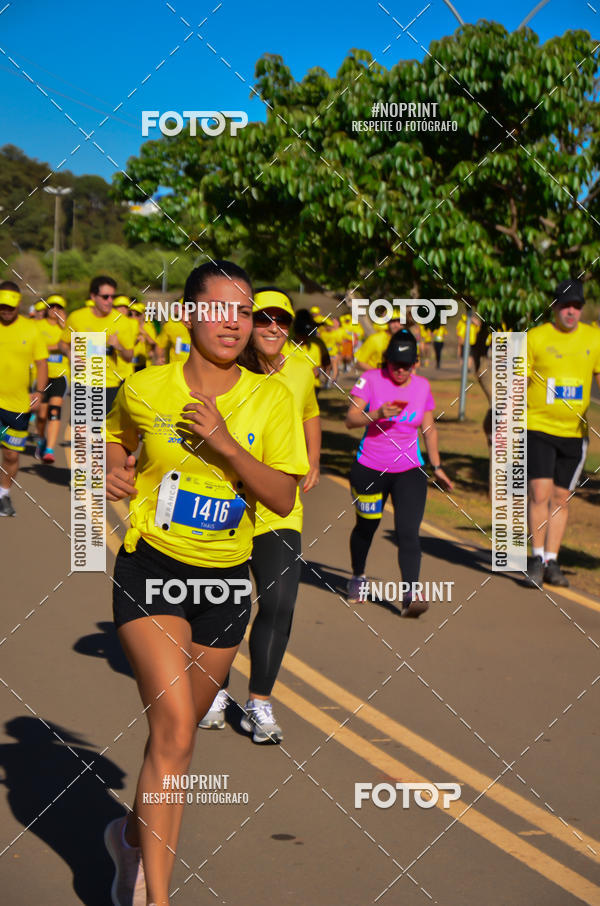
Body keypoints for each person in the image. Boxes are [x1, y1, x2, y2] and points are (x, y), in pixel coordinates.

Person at [103, 261, 308, 906]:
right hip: (152, 569)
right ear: (188, 313)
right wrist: (110, 472)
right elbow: (112, 441)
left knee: (177, 731)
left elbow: (279, 496)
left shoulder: (271, 397)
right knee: (177, 733)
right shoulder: (144, 388)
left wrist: (225, 446)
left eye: (244, 312)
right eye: (220, 309)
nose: (234, 323)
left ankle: (130, 838)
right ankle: (157, 897)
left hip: (223, 582)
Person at [200, 288, 321, 742]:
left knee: (280, 603)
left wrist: (314, 458)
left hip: (276, 507)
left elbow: (309, 412)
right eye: (264, 318)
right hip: (226, 504)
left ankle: (259, 703)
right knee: (225, 604)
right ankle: (213, 691)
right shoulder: (226, 366)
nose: (274, 327)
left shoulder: (303, 366)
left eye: (282, 320)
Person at [344, 330, 453, 615]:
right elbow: (350, 420)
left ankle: (410, 594)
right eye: (395, 364)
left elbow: (428, 427)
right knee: (367, 527)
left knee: (408, 532)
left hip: (409, 469)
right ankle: (357, 576)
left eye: (407, 365)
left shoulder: (422, 386)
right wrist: (377, 414)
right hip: (369, 468)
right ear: (386, 361)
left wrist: (437, 466)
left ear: (415, 363)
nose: (401, 370)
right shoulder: (370, 380)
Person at [525, 279, 600, 588]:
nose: (571, 312)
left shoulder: (594, 338)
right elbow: (518, 381)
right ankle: (535, 558)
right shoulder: (536, 337)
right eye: (566, 305)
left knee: (561, 497)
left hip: (574, 433)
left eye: (577, 306)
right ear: (555, 307)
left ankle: (551, 561)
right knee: (540, 493)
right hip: (538, 427)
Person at [0, 281, 48, 516]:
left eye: (9, 306)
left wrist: (39, 392)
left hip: (17, 405)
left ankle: (3, 495)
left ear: (18, 304)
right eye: (1, 306)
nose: (5, 310)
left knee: (10, 454)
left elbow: (41, 363)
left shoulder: (31, 329)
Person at [59, 276, 134, 413]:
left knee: (102, 432)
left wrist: (118, 346)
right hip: (82, 382)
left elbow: (129, 356)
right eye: (105, 297)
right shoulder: (76, 318)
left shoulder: (122, 321)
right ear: (93, 296)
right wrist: (69, 353)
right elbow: (62, 343)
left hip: (109, 384)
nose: (110, 301)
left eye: (113, 297)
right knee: (81, 431)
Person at [34, 294, 69, 464]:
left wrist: (65, 325)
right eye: (51, 307)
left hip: (60, 376)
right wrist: (57, 346)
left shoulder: (68, 328)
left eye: (58, 307)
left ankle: (49, 449)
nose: (54, 310)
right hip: (42, 376)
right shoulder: (37, 325)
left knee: (54, 411)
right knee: (41, 415)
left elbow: (77, 343)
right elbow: (35, 345)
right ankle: (41, 438)